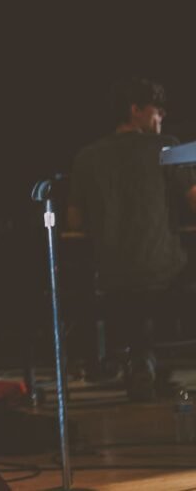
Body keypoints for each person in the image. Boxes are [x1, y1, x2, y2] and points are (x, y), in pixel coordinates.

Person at [66, 77, 196, 399]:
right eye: (157, 110)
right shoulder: (166, 148)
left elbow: (74, 220)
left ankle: (142, 360)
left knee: (131, 292)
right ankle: (145, 360)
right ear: (135, 110)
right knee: (165, 273)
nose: (161, 118)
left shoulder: (86, 157)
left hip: (110, 278)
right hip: (165, 275)